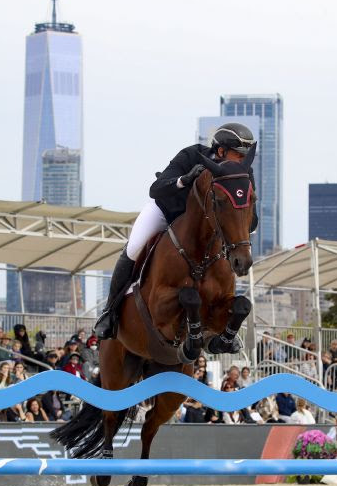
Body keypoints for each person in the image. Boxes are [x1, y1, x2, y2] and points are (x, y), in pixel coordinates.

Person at [94, 121, 258, 339]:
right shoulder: (191, 156)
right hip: (167, 211)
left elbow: (251, 220)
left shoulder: (242, 175)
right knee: (134, 248)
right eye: (238, 155)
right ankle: (110, 312)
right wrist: (184, 180)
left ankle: (223, 327)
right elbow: (156, 189)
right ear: (221, 151)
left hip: (203, 227)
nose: (242, 162)